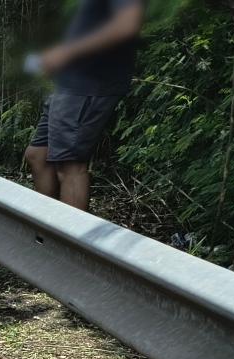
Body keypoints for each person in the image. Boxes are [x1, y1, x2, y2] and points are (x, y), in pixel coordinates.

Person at [23, 0, 144, 212]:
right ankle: (49, 225)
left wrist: (67, 52)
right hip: (70, 81)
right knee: (38, 155)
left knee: (70, 165)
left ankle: (67, 240)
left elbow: (126, 24)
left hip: (90, 83)